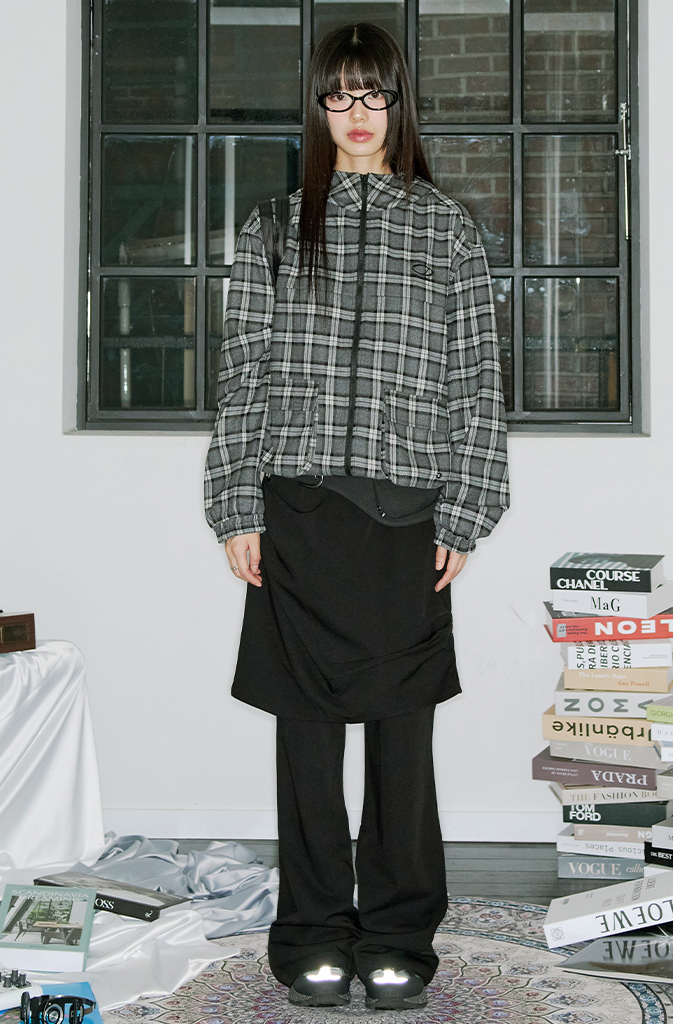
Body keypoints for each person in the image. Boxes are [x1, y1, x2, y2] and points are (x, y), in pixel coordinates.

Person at [204, 22, 509, 1011]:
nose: (357, 114)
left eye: (373, 94)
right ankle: (311, 935)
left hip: (406, 514)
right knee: (305, 743)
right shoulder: (272, 227)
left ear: (397, 104)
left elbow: (477, 380)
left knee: (399, 744)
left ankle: (397, 935)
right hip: (295, 512)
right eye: (338, 96)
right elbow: (243, 375)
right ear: (319, 108)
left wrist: (465, 508)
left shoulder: (446, 229)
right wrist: (235, 502)